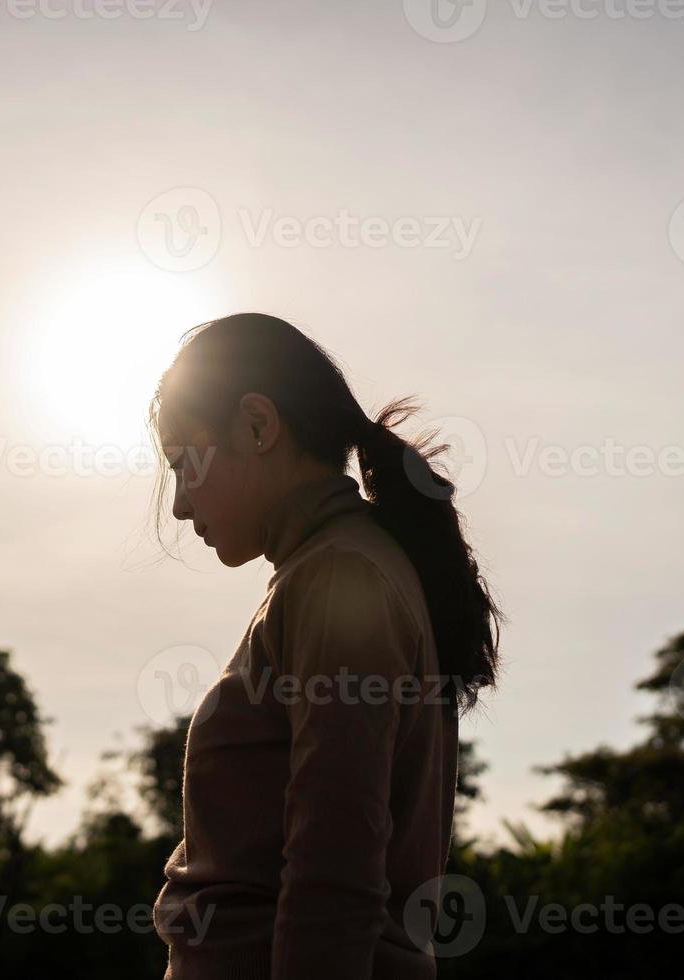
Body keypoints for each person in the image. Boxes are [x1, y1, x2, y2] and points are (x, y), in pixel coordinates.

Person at [147, 313, 502, 979]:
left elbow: (334, 868)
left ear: (256, 426)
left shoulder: (340, 578)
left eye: (184, 464)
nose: (180, 506)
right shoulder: (333, 570)